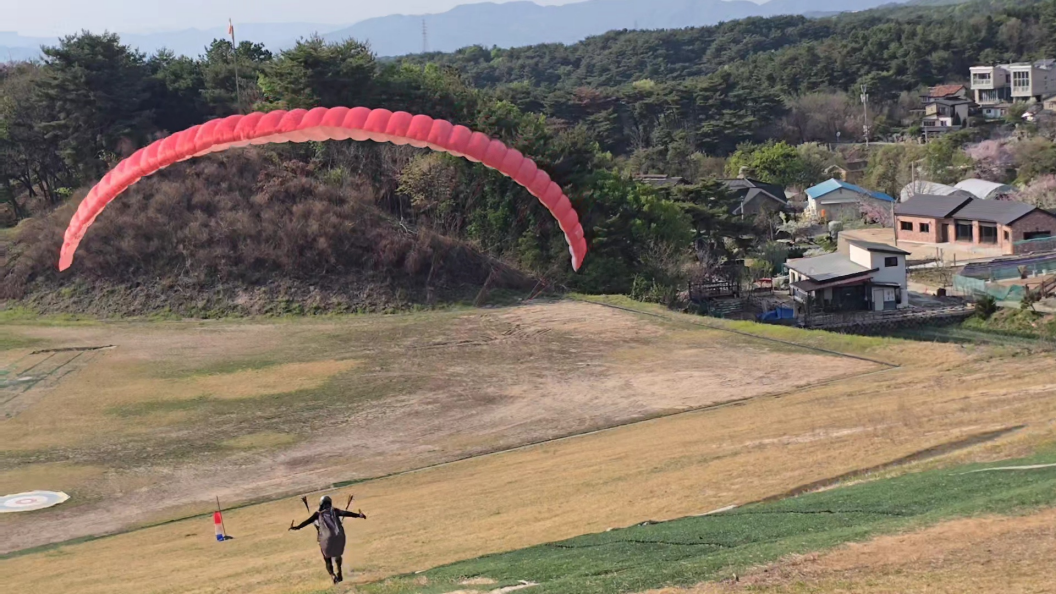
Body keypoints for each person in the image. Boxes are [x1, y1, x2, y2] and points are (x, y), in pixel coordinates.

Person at [290, 495, 366, 584]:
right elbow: (346, 513)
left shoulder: (318, 514)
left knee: (327, 559)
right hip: (339, 536)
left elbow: (307, 521)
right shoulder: (334, 510)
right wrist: (359, 515)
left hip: (325, 539)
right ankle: (339, 572)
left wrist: (297, 527)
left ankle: (333, 575)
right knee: (338, 555)